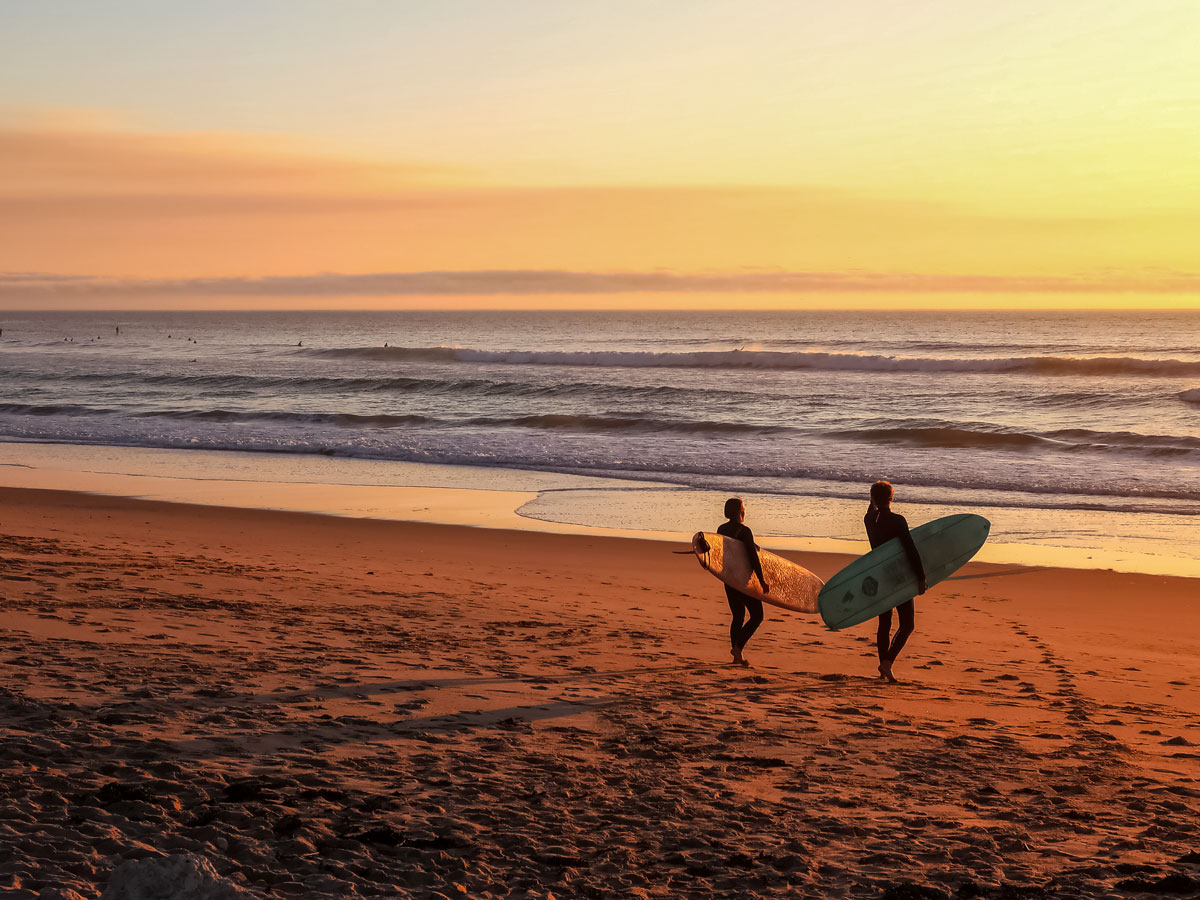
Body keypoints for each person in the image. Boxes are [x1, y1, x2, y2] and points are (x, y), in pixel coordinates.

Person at [865, 480, 927, 683]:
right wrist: (921, 577)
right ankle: (888, 662)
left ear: (872, 498)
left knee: (885, 623)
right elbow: (910, 550)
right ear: (892, 498)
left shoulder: (868, 519)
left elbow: (872, 509)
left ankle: (884, 667)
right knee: (907, 624)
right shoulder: (898, 520)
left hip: (879, 577)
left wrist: (873, 500)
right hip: (899, 576)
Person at [717, 497, 769, 666]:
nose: (744, 510)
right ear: (739, 511)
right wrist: (762, 581)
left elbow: (725, 552)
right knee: (757, 616)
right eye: (743, 507)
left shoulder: (721, 529)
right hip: (743, 580)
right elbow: (753, 559)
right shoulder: (744, 530)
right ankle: (738, 648)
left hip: (728, 578)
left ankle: (736, 655)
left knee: (738, 616)